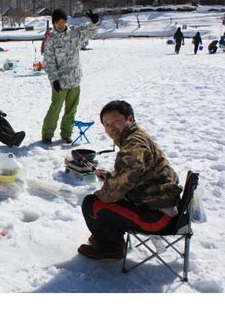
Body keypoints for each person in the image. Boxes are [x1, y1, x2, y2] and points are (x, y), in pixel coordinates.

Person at [78, 100, 182, 260]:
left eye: (116, 122)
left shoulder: (134, 144)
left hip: (158, 217)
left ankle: (111, 248)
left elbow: (114, 192)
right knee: (107, 199)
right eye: (106, 124)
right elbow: (134, 174)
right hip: (159, 204)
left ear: (130, 119)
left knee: (92, 204)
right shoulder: (135, 136)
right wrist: (110, 178)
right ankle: (107, 235)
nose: (111, 128)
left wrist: (104, 192)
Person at [41, 8, 100, 144]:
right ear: (54, 23)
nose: (60, 24)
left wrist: (95, 22)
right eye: (57, 22)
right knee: (55, 109)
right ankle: (47, 134)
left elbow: (90, 32)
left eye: (63, 21)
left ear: (66, 21)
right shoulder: (51, 40)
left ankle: (66, 134)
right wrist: (54, 80)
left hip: (75, 79)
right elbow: (48, 62)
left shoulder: (75, 32)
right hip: (60, 82)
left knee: (71, 109)